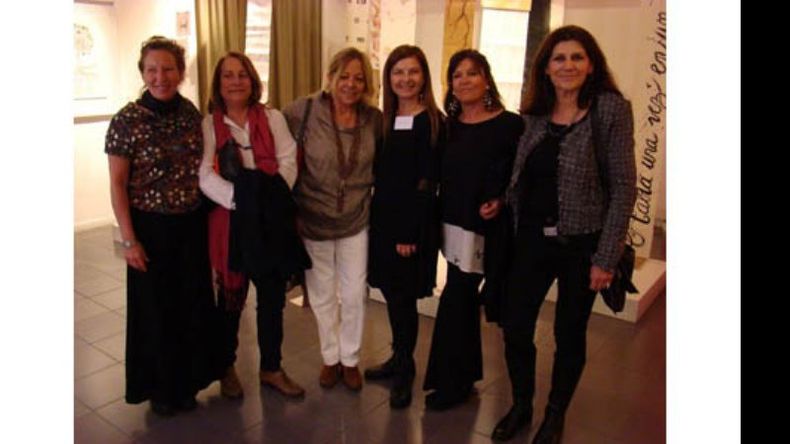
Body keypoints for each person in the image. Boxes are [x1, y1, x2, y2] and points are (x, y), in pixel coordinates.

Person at [490, 25, 637, 443]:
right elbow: (523, 175)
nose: (567, 65)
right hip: (531, 241)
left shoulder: (610, 110)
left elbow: (624, 187)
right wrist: (500, 200)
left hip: (582, 245)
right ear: (546, 67)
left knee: (569, 333)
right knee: (516, 326)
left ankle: (555, 415)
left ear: (591, 65)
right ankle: (521, 405)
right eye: (559, 58)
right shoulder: (534, 113)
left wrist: (606, 257)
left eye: (577, 57)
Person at [105, 36, 220, 416]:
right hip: (149, 229)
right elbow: (118, 184)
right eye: (152, 69)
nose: (161, 77)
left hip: (190, 226)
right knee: (156, 311)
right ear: (143, 73)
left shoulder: (190, 113)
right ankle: (160, 388)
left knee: (190, 306)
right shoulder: (127, 120)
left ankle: (187, 383)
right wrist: (129, 240)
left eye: (168, 69)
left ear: (181, 72)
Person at [199, 52, 308, 399]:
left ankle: (271, 368)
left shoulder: (272, 117)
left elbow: (289, 160)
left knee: (272, 300)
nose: (235, 81)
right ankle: (226, 367)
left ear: (252, 80)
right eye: (228, 75)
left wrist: (267, 200)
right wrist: (242, 202)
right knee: (230, 302)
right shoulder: (209, 124)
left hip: (270, 220)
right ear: (218, 83)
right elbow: (204, 174)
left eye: (242, 74)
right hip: (230, 221)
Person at [422, 49, 524, 411]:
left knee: (457, 298)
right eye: (457, 75)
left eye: (472, 73)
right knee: (461, 299)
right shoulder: (447, 127)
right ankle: (463, 377)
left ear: (487, 79)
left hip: (487, 229)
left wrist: (501, 199)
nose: (464, 80)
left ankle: (451, 382)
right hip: (452, 225)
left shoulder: (510, 125)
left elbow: (520, 177)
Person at [282, 48, 382, 391]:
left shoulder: (374, 119)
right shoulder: (303, 111)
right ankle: (331, 357)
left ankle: (350, 359)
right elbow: (275, 140)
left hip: (356, 218)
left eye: (359, 78)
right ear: (330, 77)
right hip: (313, 218)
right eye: (344, 76)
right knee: (322, 294)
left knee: (354, 294)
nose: (351, 84)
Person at [366, 45, 444, 408]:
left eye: (413, 71)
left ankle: (405, 367)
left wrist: (408, 233)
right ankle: (398, 357)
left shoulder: (431, 121)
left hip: (410, 227)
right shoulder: (385, 118)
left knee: (404, 298)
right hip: (384, 221)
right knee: (393, 295)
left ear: (424, 76)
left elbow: (427, 182)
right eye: (398, 72)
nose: (406, 79)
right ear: (389, 77)